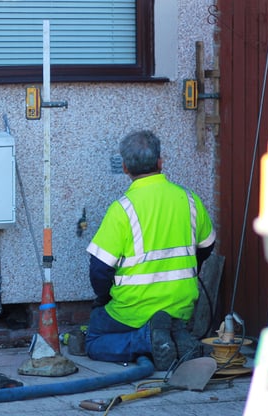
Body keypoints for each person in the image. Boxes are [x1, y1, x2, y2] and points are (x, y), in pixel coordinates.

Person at [84, 130, 216, 371]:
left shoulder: (122, 209)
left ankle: (148, 340)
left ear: (125, 168)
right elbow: (207, 246)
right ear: (160, 162)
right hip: (181, 305)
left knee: (93, 338)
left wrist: (104, 298)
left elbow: (100, 270)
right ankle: (175, 336)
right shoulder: (189, 200)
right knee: (164, 323)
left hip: (133, 310)